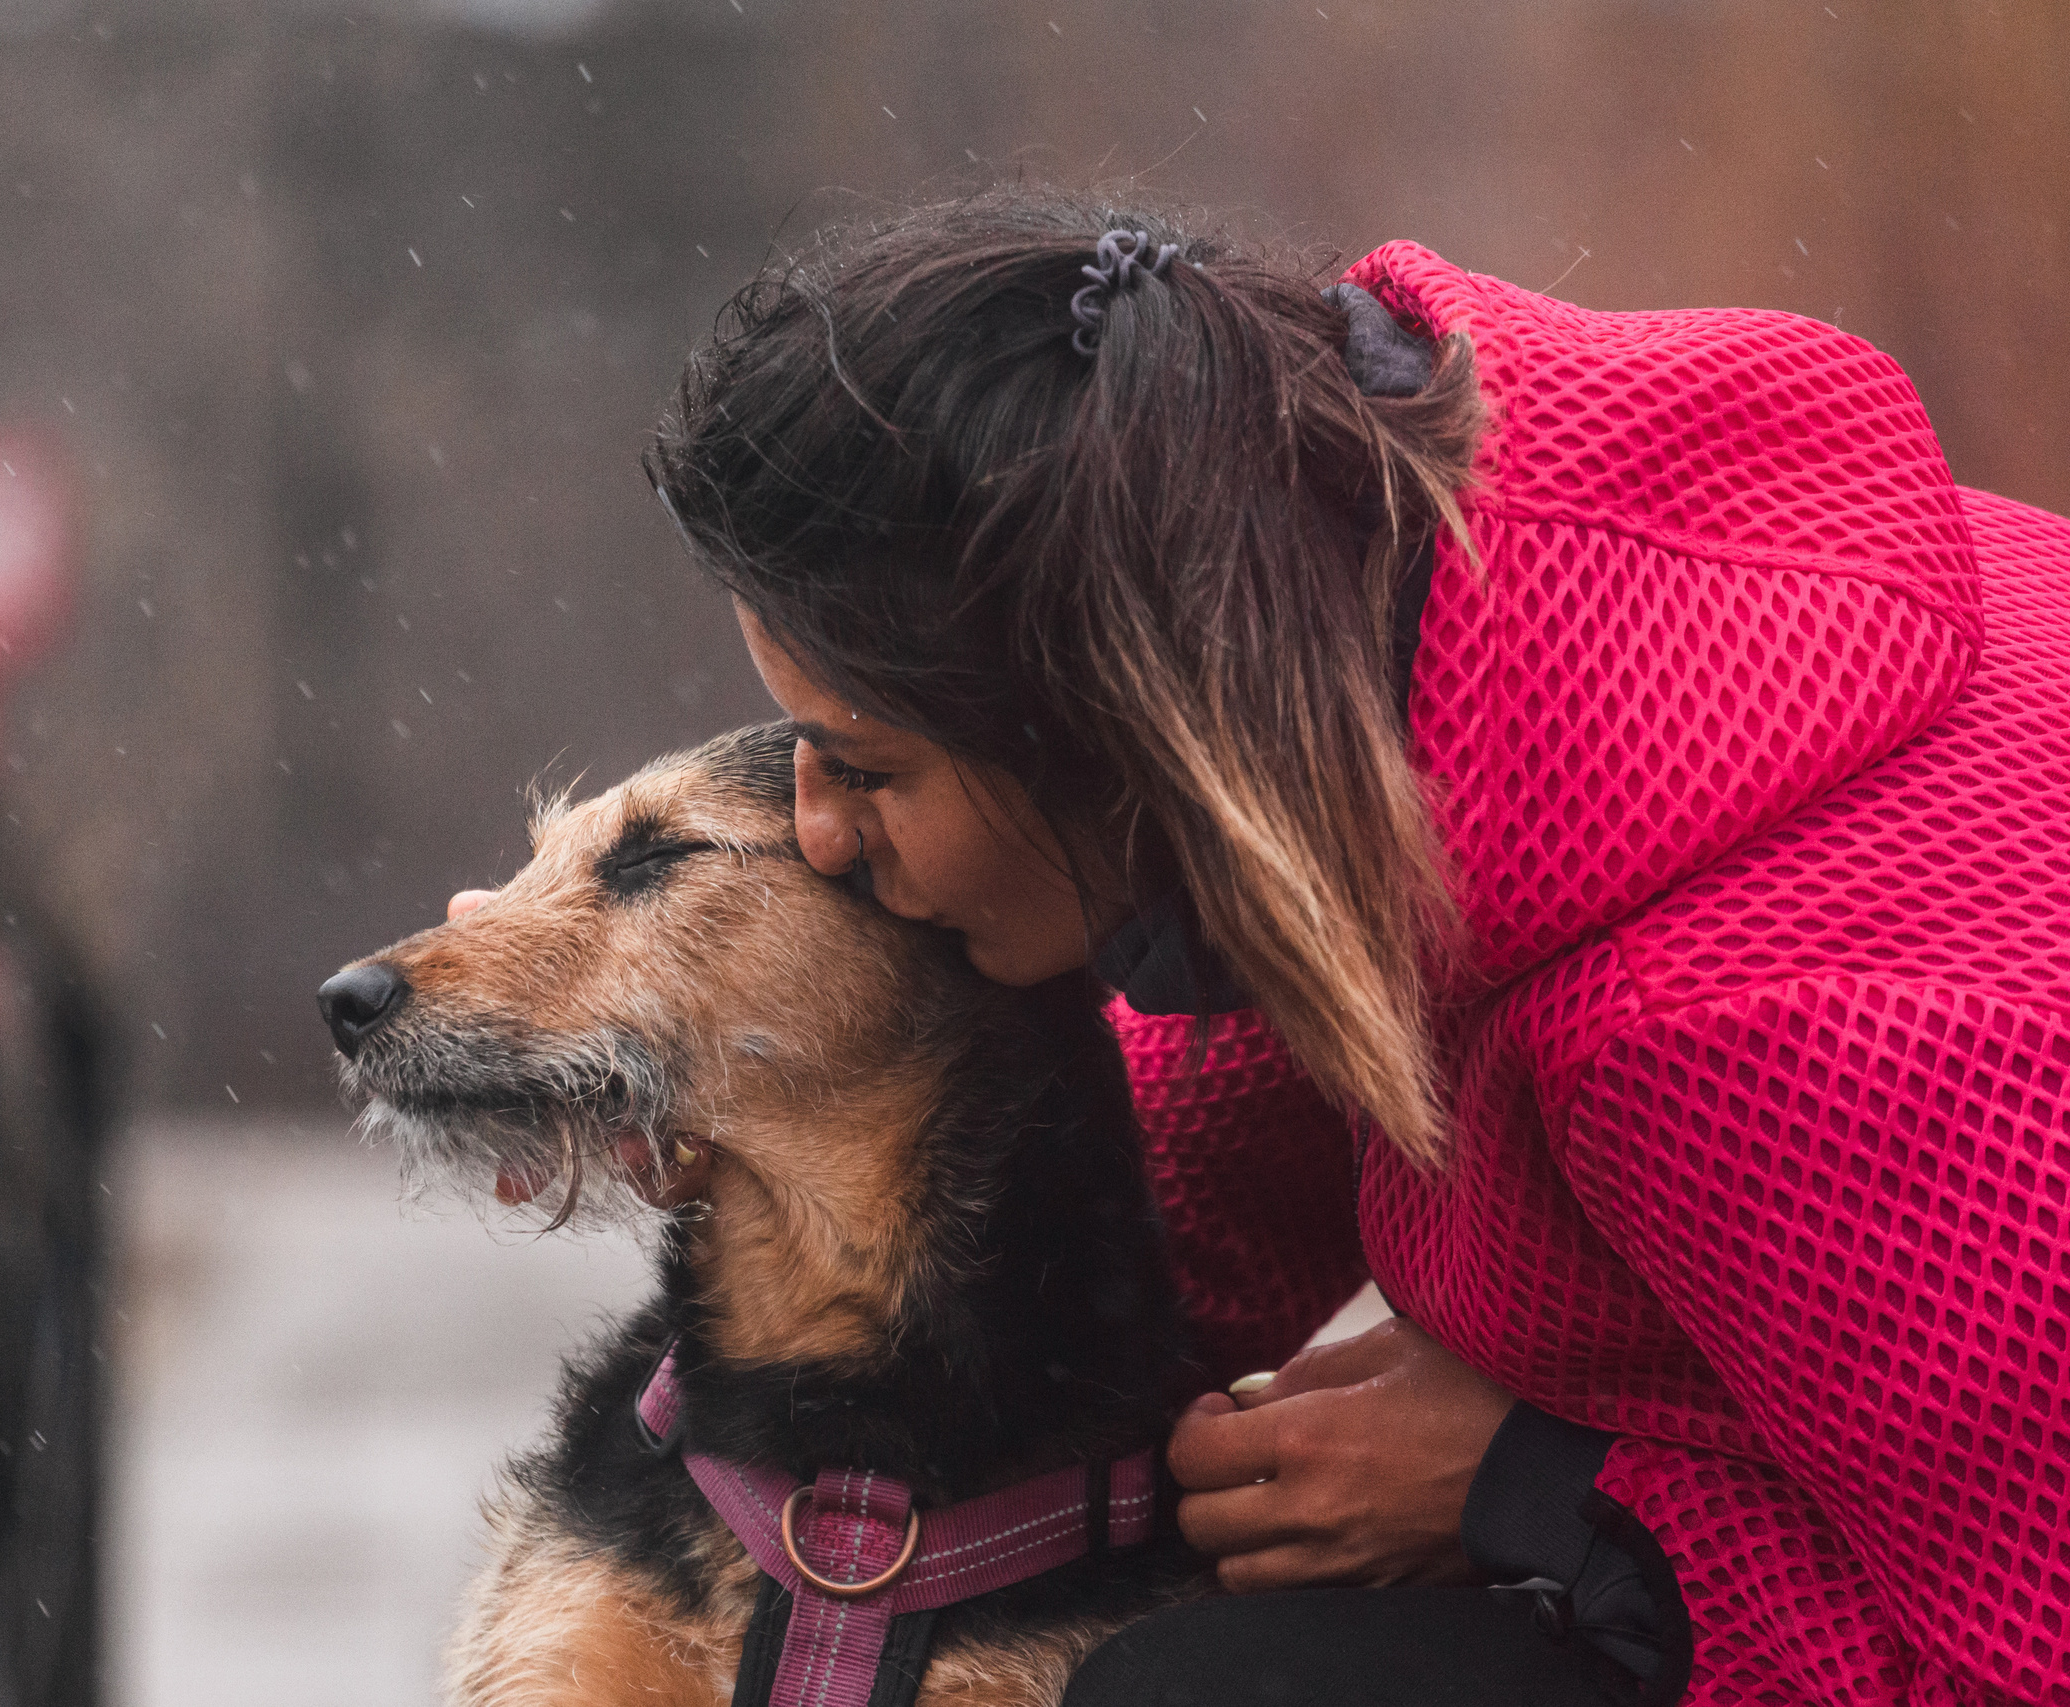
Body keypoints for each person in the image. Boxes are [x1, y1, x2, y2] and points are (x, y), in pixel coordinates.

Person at [459, 188, 2070, 1706]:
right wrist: (816, 1118)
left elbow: (2021, 1653)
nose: (816, 833)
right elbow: (1186, 1223)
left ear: (1114, 728)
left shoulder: (1782, 1035)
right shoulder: (1374, 635)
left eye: (868, 769)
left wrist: (1544, 1493)